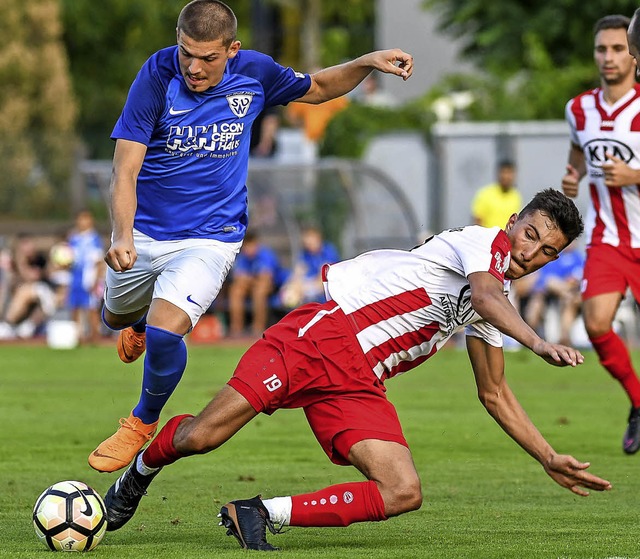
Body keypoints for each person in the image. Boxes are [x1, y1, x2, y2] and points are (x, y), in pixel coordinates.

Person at [102, 189, 611, 551]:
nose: (531, 253)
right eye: (531, 235)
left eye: (548, 252)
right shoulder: (483, 246)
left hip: (359, 382)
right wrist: (540, 342)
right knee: (201, 438)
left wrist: (547, 456)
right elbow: (483, 294)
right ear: (514, 221)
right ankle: (141, 473)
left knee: (403, 491)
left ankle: (260, 512)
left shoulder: (493, 301)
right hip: (322, 336)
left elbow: (495, 393)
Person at [88, 0, 414, 474]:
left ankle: (141, 420)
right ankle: (134, 320)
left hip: (212, 236)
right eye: (186, 53)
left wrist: (365, 61)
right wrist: (121, 233)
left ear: (233, 50)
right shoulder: (157, 75)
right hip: (144, 232)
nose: (194, 67)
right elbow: (125, 167)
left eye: (208, 58)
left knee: (165, 333)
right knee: (116, 316)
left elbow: (319, 87)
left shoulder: (256, 72)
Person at [562, 14, 640, 454]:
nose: (608, 57)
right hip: (608, 238)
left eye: (616, 48)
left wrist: (634, 174)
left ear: (632, 52)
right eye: (600, 49)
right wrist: (572, 178)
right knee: (595, 323)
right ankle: (638, 403)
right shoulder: (579, 108)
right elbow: (576, 156)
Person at [227, 230, 287, 337]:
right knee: (236, 290)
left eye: (251, 245)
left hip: (273, 287)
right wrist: (248, 279)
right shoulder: (242, 257)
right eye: (246, 246)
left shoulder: (265, 254)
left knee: (259, 290)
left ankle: (258, 328)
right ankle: (236, 329)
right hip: (251, 285)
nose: (249, 249)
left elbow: (266, 277)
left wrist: (247, 278)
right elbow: (238, 277)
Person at [524, 241, 585, 346]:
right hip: (550, 292)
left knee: (568, 300)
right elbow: (544, 279)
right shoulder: (554, 257)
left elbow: (579, 278)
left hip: (570, 294)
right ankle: (528, 337)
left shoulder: (578, 258)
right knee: (538, 300)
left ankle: (564, 338)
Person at [277, 225, 340, 309]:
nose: (308, 244)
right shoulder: (305, 254)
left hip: (324, 289)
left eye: (310, 240)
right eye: (306, 241)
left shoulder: (328, 251)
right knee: (288, 291)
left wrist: (303, 288)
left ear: (318, 238)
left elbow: (322, 281)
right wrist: (292, 285)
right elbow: (298, 273)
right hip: (307, 287)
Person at [67, 210, 104, 344]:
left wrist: (96, 279)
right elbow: (69, 257)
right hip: (75, 277)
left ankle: (95, 337)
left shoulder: (94, 239)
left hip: (88, 278)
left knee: (91, 308)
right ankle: (78, 336)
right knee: (75, 307)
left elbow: (99, 260)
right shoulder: (73, 238)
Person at [471, 159, 522, 228]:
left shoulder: (516, 196)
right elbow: (478, 220)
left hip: (507, 237)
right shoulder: (485, 194)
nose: (506, 177)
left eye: (509, 173)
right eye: (504, 173)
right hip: (489, 237)